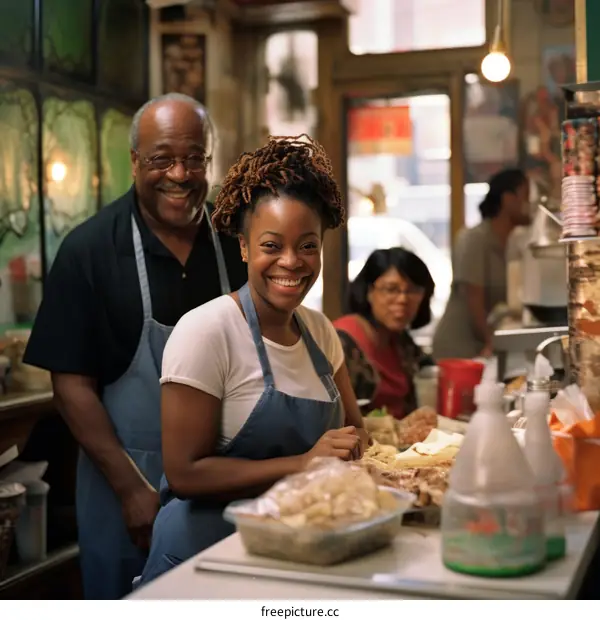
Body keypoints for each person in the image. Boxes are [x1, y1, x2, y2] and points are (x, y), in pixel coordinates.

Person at [22, 93, 248, 600]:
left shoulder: (237, 242)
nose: (180, 173)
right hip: (124, 486)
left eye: (194, 158)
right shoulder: (88, 250)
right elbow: (71, 387)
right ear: (133, 162)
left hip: (225, 485)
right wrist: (130, 490)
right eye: (161, 158)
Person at [138, 134, 370, 586]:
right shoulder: (207, 332)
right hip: (203, 559)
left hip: (293, 555)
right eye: (271, 245)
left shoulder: (320, 332)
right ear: (243, 248)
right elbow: (184, 473)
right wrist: (303, 464)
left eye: (307, 246)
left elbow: (355, 431)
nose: (292, 262)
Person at [432, 168, 530, 360]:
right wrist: (491, 341)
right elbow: (473, 299)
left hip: (477, 345)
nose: (531, 205)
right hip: (456, 347)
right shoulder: (475, 239)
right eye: (526, 197)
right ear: (508, 199)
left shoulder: (508, 243)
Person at [333, 248, 435, 420]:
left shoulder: (401, 340)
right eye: (391, 289)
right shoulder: (341, 341)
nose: (403, 299)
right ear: (369, 292)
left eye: (412, 290)